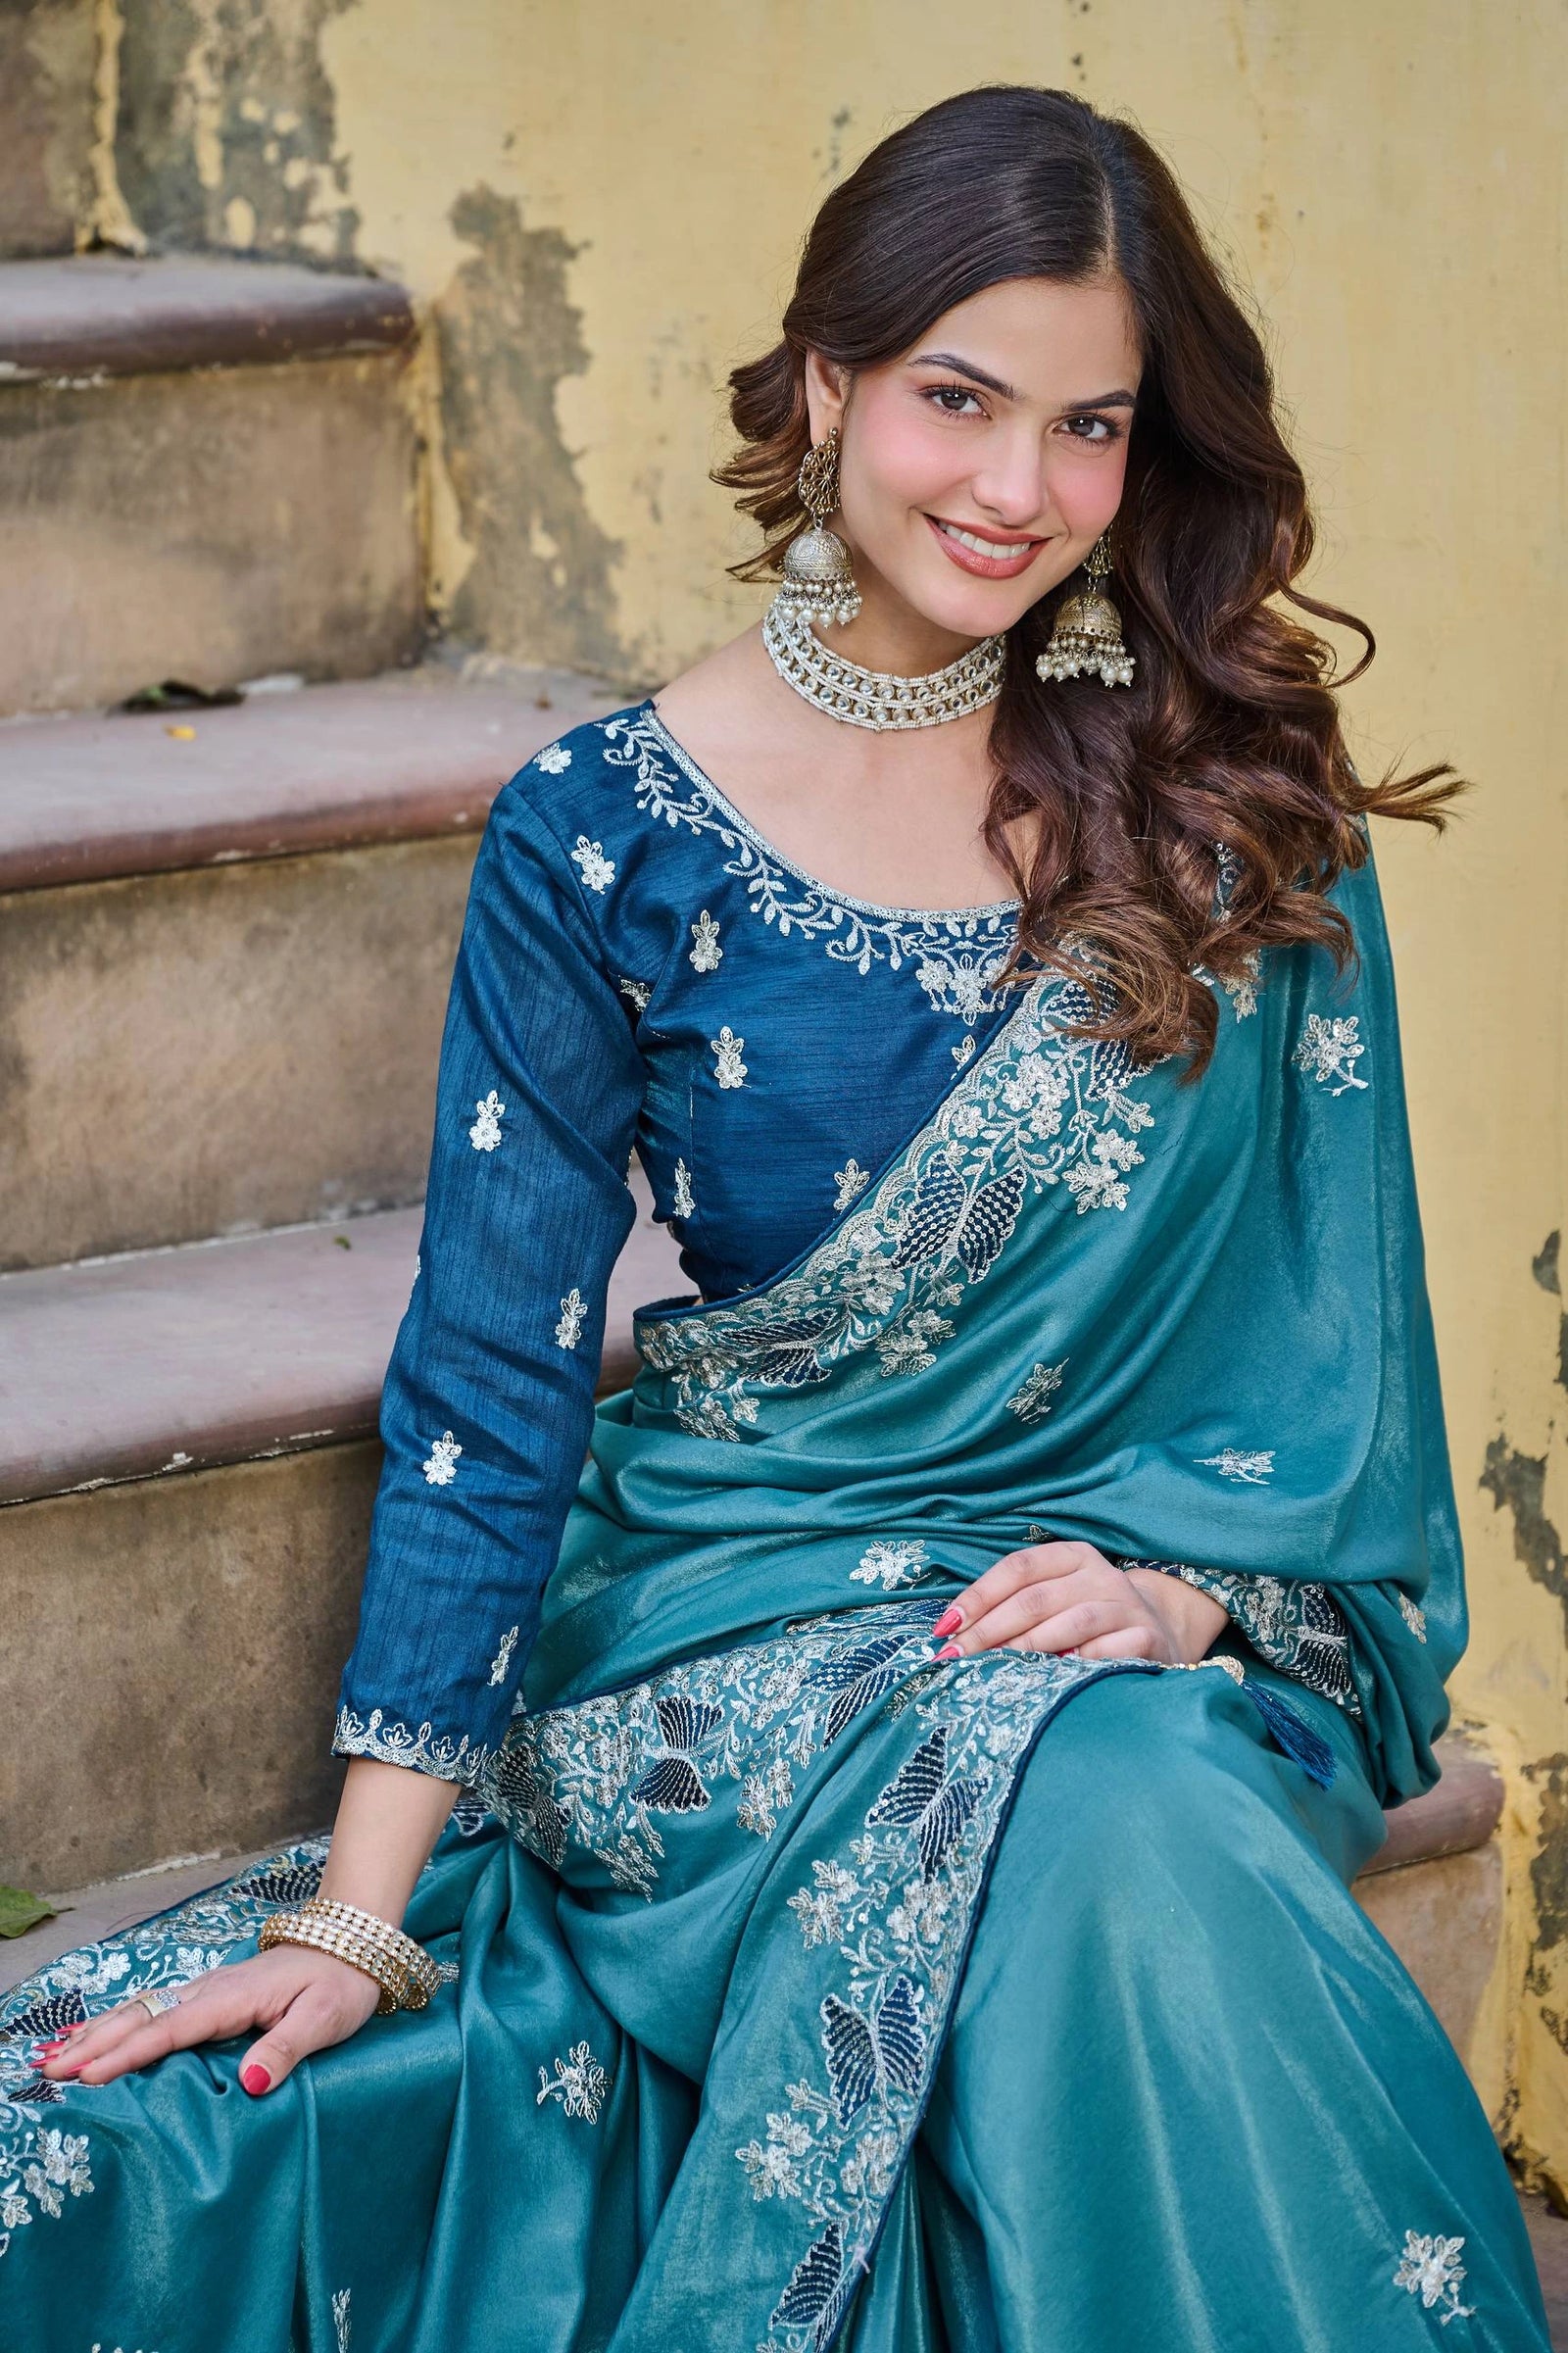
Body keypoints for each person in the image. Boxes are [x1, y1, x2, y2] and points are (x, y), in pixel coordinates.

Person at [2, 81, 1551, 2353]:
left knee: (1123, 1797)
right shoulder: (606, 832)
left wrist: (1183, 1600)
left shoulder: (1223, 821)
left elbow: (1313, 1406)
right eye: (954, 398)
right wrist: (354, 1911)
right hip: (746, 1627)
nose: (1018, 489)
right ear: (825, 384)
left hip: (1122, 1658)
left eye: (1090, 424)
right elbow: (487, 1375)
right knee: (1099, 1827)